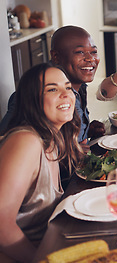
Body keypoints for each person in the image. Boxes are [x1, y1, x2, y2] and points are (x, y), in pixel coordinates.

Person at [0, 63, 83, 262]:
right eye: (52, 89)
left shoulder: (53, 140)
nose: (66, 95)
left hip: (49, 247)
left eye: (68, 88)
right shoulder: (26, 141)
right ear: (32, 100)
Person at [0, 25, 105, 144]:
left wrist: (85, 131)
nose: (90, 58)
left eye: (94, 52)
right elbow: (5, 142)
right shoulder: (31, 94)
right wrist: (66, 153)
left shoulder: (79, 86)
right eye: (80, 52)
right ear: (55, 56)